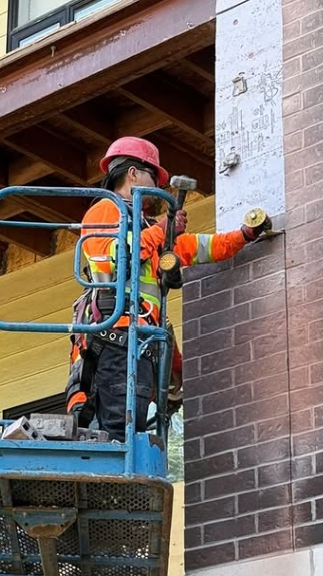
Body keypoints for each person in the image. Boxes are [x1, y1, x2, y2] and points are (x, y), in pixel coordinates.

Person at [65, 137, 268, 441]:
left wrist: (243, 235)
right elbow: (113, 263)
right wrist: (162, 231)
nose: (158, 187)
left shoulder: (147, 226)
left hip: (140, 340)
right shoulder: (105, 211)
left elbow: (201, 247)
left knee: (130, 427)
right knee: (120, 430)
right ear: (132, 173)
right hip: (116, 337)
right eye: (153, 177)